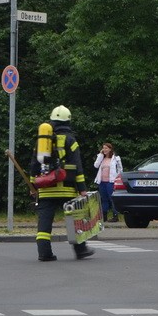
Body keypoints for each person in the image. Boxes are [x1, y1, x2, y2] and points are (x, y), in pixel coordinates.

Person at [30, 105, 93, 262]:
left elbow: (33, 165)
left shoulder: (42, 141)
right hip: (67, 189)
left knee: (44, 222)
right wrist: (82, 189)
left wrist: (33, 186)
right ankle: (81, 250)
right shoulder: (71, 140)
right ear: (68, 121)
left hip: (46, 189)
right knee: (75, 220)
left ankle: (44, 253)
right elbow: (77, 167)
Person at [93, 142, 123, 223]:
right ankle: (104, 216)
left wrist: (117, 179)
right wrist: (100, 155)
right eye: (103, 148)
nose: (104, 150)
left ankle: (115, 216)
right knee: (104, 199)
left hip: (111, 182)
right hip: (102, 182)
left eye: (106, 148)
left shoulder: (116, 158)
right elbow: (96, 165)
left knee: (112, 199)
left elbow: (120, 169)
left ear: (110, 149)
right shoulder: (102, 158)